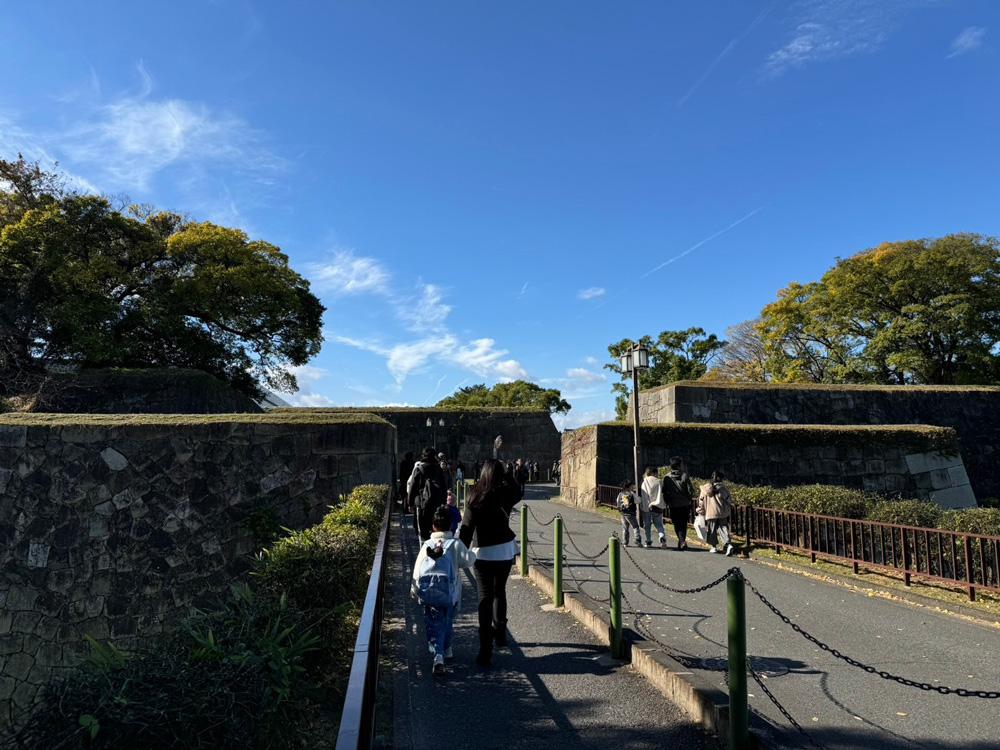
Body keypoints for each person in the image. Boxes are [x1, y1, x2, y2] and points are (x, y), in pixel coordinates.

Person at [459, 458, 523, 667]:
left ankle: (485, 649)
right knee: (500, 592)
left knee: (484, 598)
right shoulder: (505, 493)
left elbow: (466, 529)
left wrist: (459, 553)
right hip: (504, 550)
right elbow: (519, 491)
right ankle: (501, 634)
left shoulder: (475, 495)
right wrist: (507, 474)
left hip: (482, 553)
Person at [412, 505, 476, 674]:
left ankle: (437, 655)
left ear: (433, 527)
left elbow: (417, 570)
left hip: (429, 593)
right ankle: (446, 649)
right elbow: (467, 561)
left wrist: (414, 590)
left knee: (433, 623)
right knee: (447, 621)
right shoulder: (455, 544)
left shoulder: (426, 545)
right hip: (450, 593)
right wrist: (474, 552)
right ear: (450, 527)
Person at [408, 447, 449, 541]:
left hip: (423, 504)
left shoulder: (419, 469)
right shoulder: (438, 469)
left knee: (423, 531)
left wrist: (410, 504)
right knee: (436, 530)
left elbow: (413, 488)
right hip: (437, 503)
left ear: (423, 456)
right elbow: (443, 487)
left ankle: (425, 547)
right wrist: (444, 501)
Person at [697, 471, 734, 556]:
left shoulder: (705, 489)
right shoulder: (722, 489)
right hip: (722, 512)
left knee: (712, 530)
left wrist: (700, 511)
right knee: (723, 528)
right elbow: (728, 500)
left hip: (710, 513)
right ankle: (728, 544)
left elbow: (701, 502)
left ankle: (713, 547)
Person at [663, 456, 695, 550]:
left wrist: (668, 502)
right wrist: (688, 498)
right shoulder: (684, 476)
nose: (683, 466)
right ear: (678, 466)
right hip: (684, 504)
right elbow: (691, 490)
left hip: (673, 504)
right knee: (683, 524)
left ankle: (681, 541)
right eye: (682, 464)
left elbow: (665, 491)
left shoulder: (667, 477)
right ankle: (682, 541)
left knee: (676, 524)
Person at [640, 466, 667, 549]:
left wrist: (645, 505)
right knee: (659, 524)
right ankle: (662, 536)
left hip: (646, 507)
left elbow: (643, 494)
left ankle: (648, 541)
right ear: (654, 473)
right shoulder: (659, 482)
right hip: (657, 506)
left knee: (647, 525)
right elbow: (663, 493)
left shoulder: (644, 481)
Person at [616, 480, 641, 547]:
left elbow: (617, 502)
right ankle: (637, 539)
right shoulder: (632, 494)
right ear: (629, 487)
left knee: (625, 528)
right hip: (631, 513)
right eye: (632, 486)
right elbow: (638, 501)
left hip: (623, 513)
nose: (633, 487)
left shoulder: (620, 494)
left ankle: (625, 542)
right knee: (635, 527)